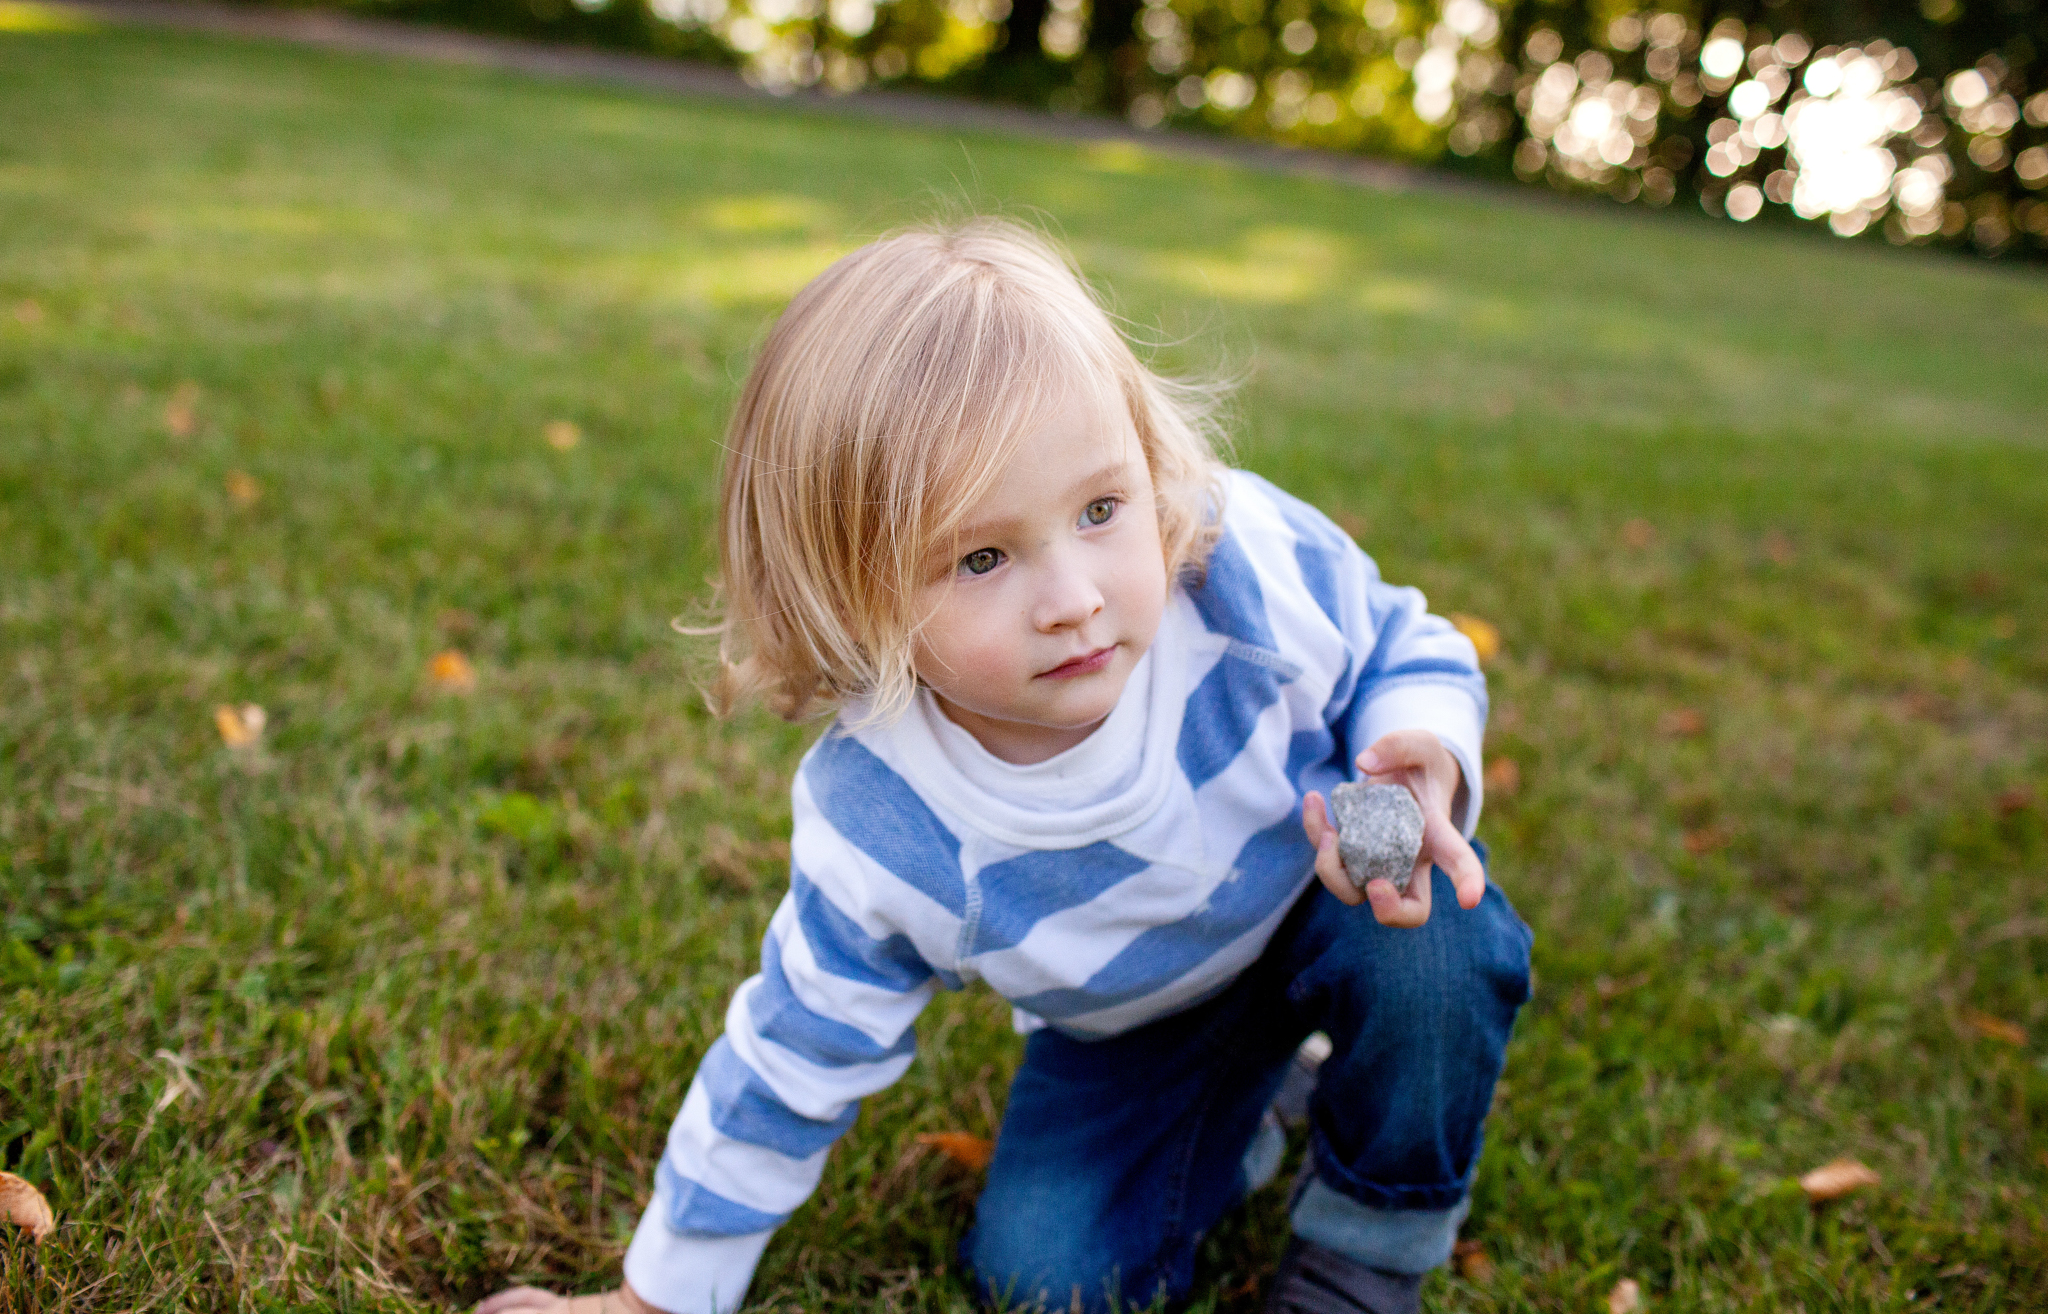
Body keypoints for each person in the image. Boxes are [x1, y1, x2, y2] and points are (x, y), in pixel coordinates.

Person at [478, 219, 1531, 1314]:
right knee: (1042, 1279)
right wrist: (656, 1299)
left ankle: (1363, 1254)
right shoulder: (889, 821)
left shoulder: (1237, 565)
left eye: (1099, 509)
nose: (1072, 595)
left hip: (1337, 888)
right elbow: (791, 1059)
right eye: (980, 557)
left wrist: (1417, 757)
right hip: (1144, 1023)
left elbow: (1403, 638)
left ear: (1147, 464)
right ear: (851, 593)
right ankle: (1256, 1103)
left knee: (1437, 943)